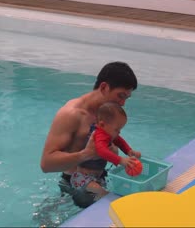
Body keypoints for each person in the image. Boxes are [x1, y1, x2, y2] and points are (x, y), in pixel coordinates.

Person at [39, 61, 138, 207]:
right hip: (75, 186)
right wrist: (85, 154)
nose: (123, 103)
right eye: (120, 96)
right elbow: (46, 164)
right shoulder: (71, 114)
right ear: (104, 87)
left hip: (99, 178)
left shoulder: (108, 114)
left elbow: (113, 143)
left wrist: (118, 152)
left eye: (126, 98)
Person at [70, 102, 141, 206]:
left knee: (101, 189)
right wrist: (121, 160)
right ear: (102, 124)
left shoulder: (106, 131)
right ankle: (103, 195)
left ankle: (99, 196)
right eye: (117, 129)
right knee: (101, 191)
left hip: (97, 177)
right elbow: (101, 151)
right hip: (82, 177)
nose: (119, 132)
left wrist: (129, 151)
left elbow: (118, 140)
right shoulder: (99, 134)